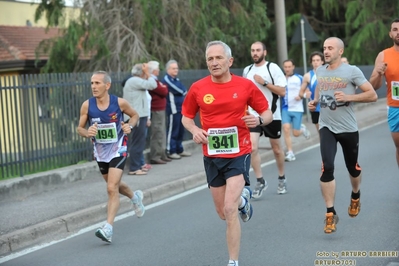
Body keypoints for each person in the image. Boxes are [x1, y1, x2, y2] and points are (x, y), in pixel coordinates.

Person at [182, 40, 272, 266]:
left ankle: (233, 261)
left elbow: (267, 112)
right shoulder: (198, 88)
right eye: (210, 59)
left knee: (229, 210)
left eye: (218, 58)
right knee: (222, 212)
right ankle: (244, 200)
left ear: (230, 61)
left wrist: (259, 120)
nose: (214, 62)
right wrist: (194, 130)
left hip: (238, 152)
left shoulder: (245, 86)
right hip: (211, 155)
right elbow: (186, 117)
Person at [308, 37, 377, 234]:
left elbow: (372, 95)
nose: (326, 51)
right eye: (324, 48)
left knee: (352, 168)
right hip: (326, 126)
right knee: (327, 166)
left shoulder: (351, 71)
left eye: (330, 48)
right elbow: (321, 90)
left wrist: (349, 97)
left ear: (340, 51)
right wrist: (315, 102)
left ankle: (356, 195)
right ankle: (330, 213)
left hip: (348, 128)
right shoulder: (320, 71)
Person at [77, 71, 146, 243]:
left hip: (118, 148)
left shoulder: (119, 103)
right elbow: (79, 128)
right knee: (112, 185)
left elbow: (135, 115)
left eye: (97, 83)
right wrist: (87, 133)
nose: (93, 86)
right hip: (100, 152)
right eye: (92, 83)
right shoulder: (87, 105)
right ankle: (135, 197)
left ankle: (108, 228)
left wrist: (129, 126)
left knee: (110, 188)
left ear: (107, 85)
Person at [243, 41, 288, 198]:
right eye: (253, 50)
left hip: (271, 115)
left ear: (265, 52)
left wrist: (265, 83)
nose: (255, 53)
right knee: (252, 147)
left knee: (276, 149)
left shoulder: (272, 68)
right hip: (253, 116)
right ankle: (260, 180)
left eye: (258, 50)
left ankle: (281, 177)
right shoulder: (247, 70)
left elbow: (282, 91)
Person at [370, 18, 399, 167]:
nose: (398, 32)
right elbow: (373, 86)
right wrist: (379, 74)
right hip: (395, 107)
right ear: (390, 34)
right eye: (395, 29)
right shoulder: (383, 55)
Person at [123, 63, 157, 175]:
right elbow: (153, 85)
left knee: (139, 142)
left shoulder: (135, 81)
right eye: (145, 72)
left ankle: (137, 165)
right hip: (136, 116)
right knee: (137, 142)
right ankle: (134, 168)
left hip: (139, 115)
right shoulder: (134, 81)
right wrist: (148, 73)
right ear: (141, 73)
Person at [281, 59, 310, 162]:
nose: (287, 69)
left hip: (297, 109)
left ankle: (302, 129)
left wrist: (301, 96)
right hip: (285, 108)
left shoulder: (299, 78)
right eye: (286, 67)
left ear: (293, 67)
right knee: (286, 128)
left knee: (296, 133)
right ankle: (290, 152)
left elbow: (307, 92)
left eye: (289, 67)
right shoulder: (281, 79)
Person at [163, 60, 191, 159]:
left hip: (181, 109)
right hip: (173, 109)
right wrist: (183, 91)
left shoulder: (176, 79)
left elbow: (184, 89)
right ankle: (171, 150)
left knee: (180, 130)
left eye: (177, 68)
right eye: (173, 68)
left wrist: (184, 91)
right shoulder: (167, 79)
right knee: (173, 130)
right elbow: (181, 90)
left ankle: (180, 149)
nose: (176, 70)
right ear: (168, 69)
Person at [147, 60, 172, 164]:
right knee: (157, 132)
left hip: (161, 109)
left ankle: (162, 153)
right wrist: (163, 87)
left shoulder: (156, 81)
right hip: (156, 109)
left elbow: (164, 89)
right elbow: (163, 91)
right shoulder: (152, 81)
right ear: (153, 71)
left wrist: (163, 87)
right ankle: (155, 155)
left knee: (162, 132)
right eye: (157, 69)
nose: (158, 71)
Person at [298, 51, 325, 132]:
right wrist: (306, 95)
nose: (316, 62)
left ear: (322, 61)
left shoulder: (328, 73)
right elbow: (300, 93)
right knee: (321, 133)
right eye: (313, 60)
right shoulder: (307, 76)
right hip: (316, 108)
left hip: (328, 107)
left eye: (318, 60)